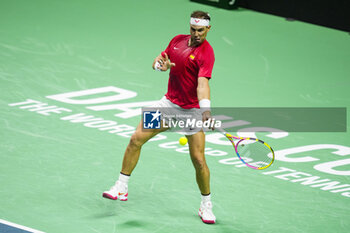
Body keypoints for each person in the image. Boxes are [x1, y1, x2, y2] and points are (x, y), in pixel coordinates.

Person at [103, 10, 216, 224]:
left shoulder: (206, 53)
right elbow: (159, 61)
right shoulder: (177, 41)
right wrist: (159, 66)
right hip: (169, 105)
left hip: (191, 110)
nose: (196, 34)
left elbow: (203, 84)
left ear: (208, 29)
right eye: (193, 29)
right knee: (136, 139)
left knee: (199, 160)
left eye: (201, 30)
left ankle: (206, 205)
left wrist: (205, 110)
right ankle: (121, 186)